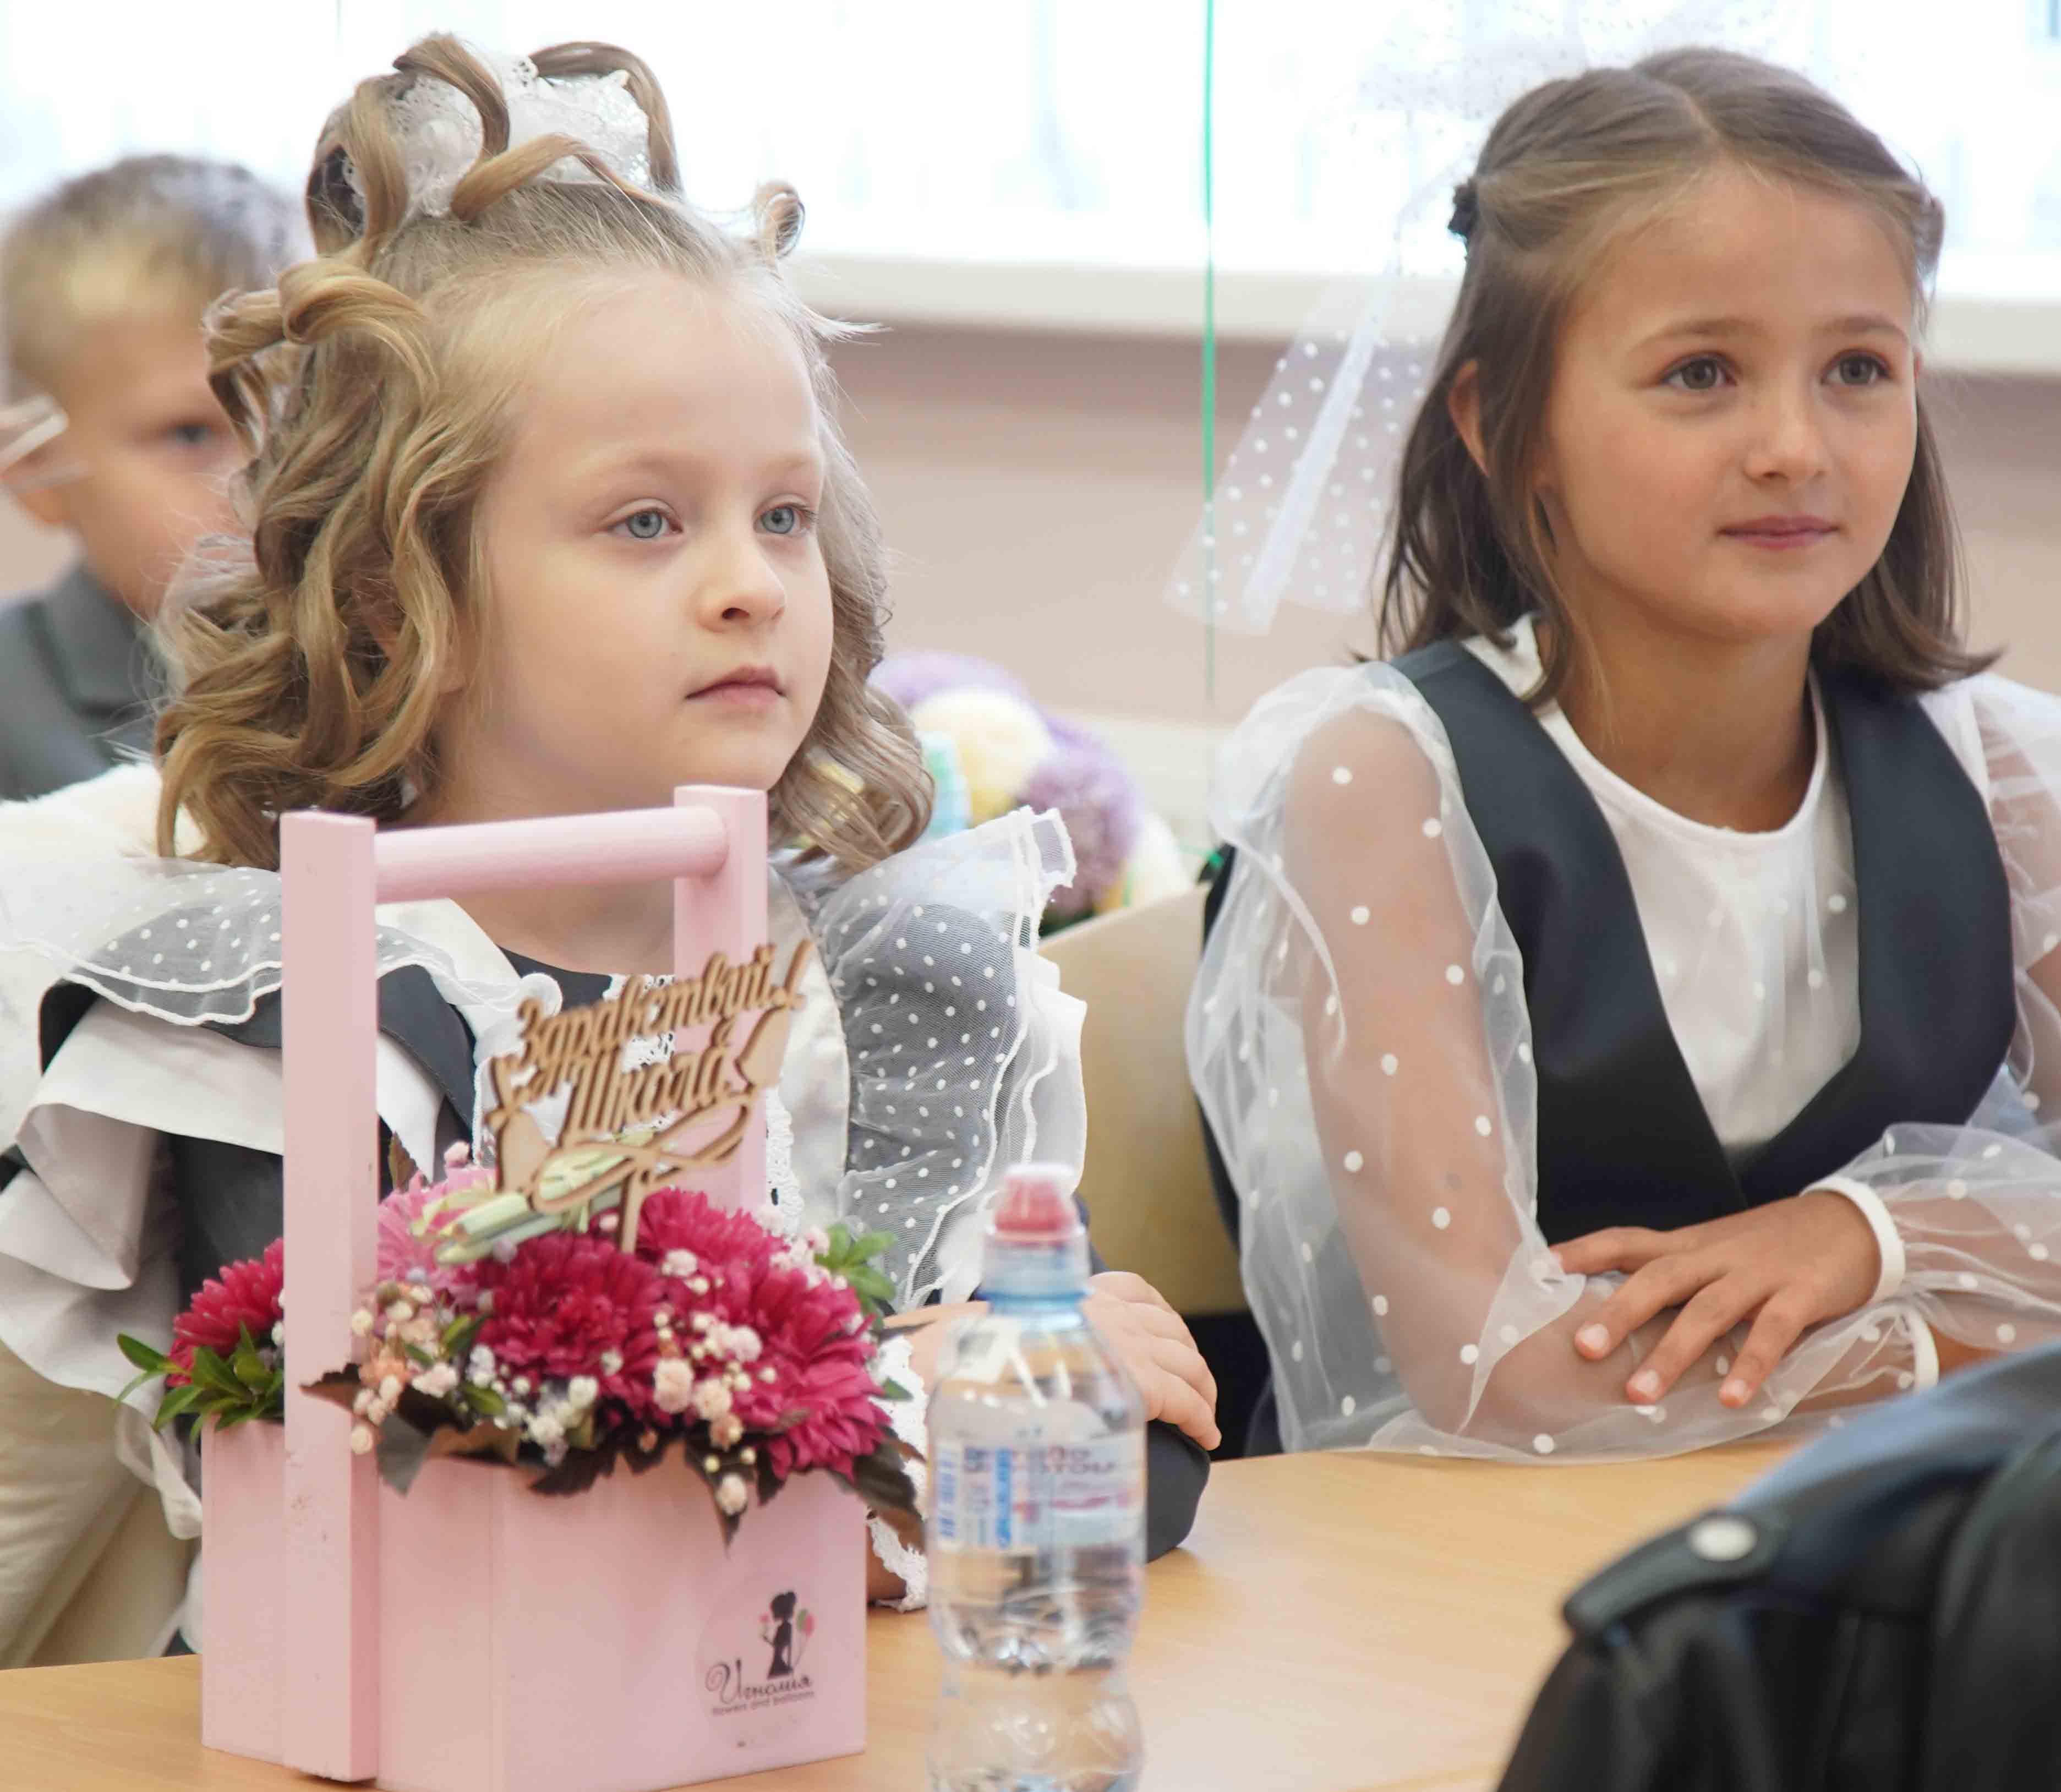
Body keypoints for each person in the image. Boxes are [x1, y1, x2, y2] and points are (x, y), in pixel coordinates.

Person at [0, 36, 1211, 1654]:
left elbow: (1136, 1463)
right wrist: (925, 1406)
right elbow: (454, 1548)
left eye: (782, 515)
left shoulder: (884, 975)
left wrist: (871, 1453)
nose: (750, 585)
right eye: (646, 521)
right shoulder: (307, 1013)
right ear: (396, 594)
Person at [1191, 48, 2061, 1461]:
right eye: (1700, 373)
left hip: (1885, 1519)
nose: (1794, 445)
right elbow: (1499, 1377)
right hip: (1477, 1548)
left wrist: (1872, 1235)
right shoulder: (1383, 782)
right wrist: (1972, 1332)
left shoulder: (2004, 778)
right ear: (1501, 426)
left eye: (1857, 368)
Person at [0, 154, 305, 800]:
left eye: (299, 422)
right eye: (190, 434)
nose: (266, 480)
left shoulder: (391, 671)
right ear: (37, 471)